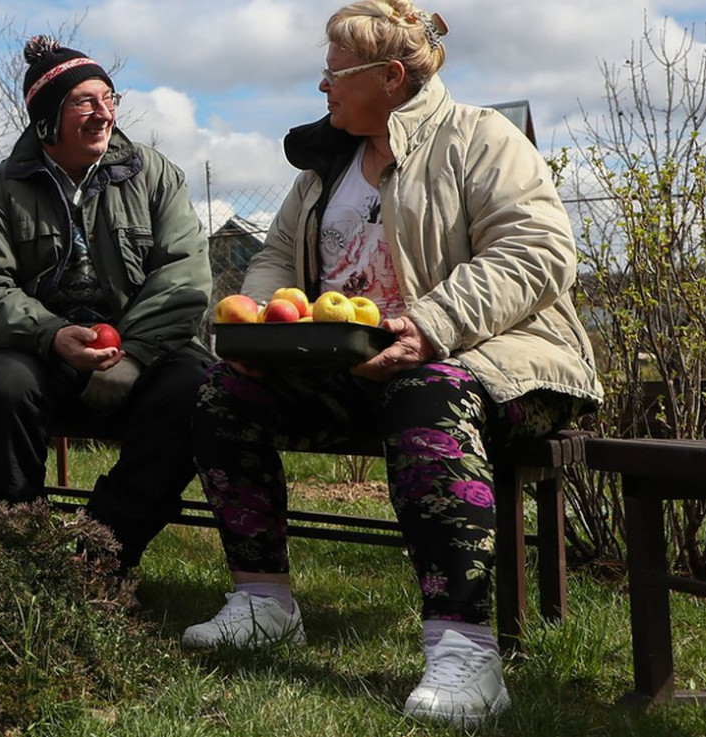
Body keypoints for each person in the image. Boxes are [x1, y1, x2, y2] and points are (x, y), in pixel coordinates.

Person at [182, 0, 603, 728]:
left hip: (504, 361)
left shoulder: (480, 139)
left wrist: (434, 324)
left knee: (425, 390)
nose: (323, 85)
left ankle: (464, 647)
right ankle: (263, 601)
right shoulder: (326, 165)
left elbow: (538, 251)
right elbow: (278, 254)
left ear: (392, 76)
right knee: (222, 387)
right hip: (355, 361)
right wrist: (257, 329)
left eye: (335, 72)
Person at [0, 36, 213, 571]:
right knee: (4, 388)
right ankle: (17, 559)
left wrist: (136, 353)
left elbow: (185, 275)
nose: (103, 114)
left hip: (144, 349)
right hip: (44, 349)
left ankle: (98, 559)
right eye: (84, 102)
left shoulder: (155, 174)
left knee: (197, 390)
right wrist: (50, 334)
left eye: (109, 98)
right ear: (47, 119)